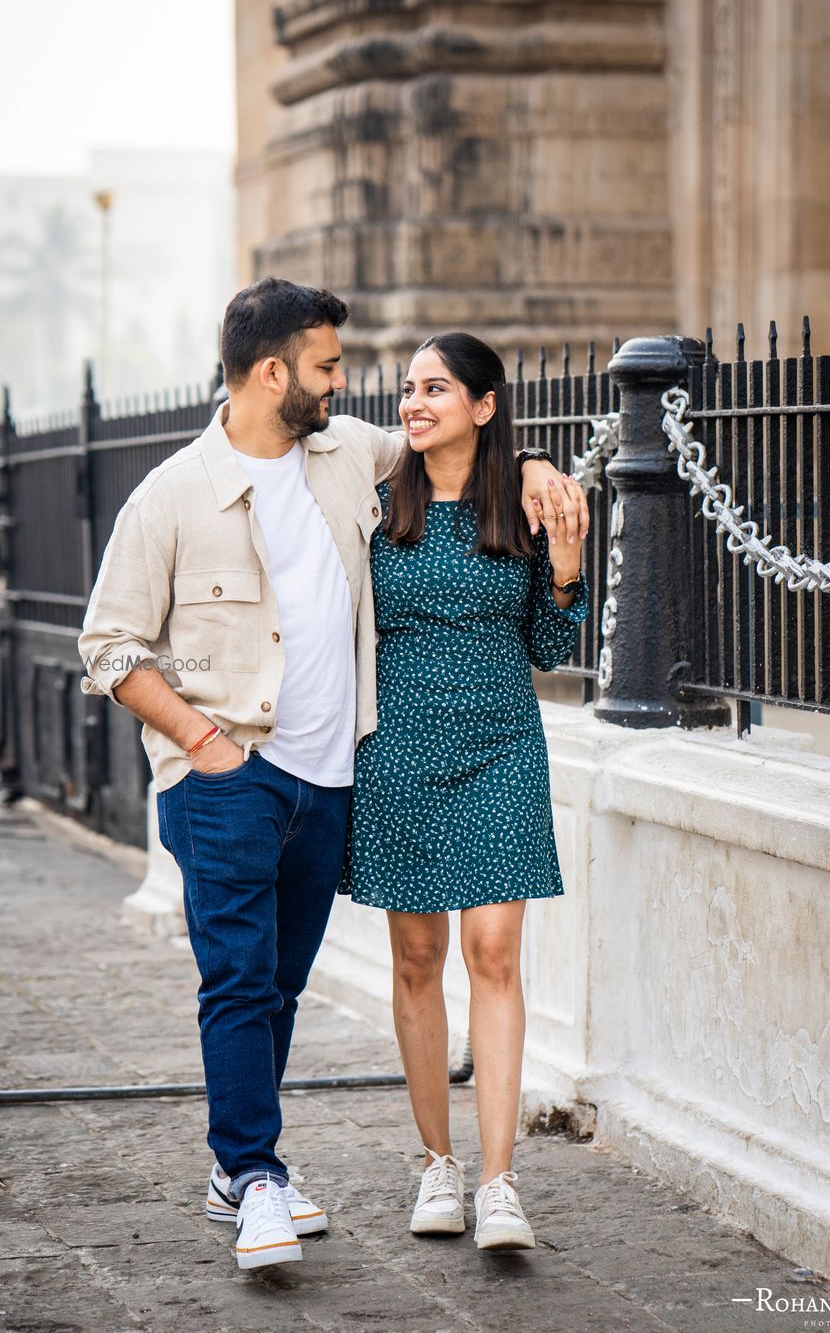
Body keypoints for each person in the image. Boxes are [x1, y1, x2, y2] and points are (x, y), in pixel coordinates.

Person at [77, 278, 589, 1272]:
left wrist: (528, 462)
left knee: (275, 986)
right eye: (328, 366)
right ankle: (256, 1174)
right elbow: (108, 644)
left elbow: (456, 450)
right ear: (274, 373)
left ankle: (252, 1171)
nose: (348, 386)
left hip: (329, 781)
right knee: (237, 981)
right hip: (229, 774)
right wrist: (205, 740)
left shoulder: (347, 455)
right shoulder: (174, 493)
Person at [340, 331, 589, 1251]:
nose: (413, 402)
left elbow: (550, 650)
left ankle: (499, 1182)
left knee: (493, 952)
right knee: (415, 961)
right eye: (408, 388)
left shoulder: (523, 508)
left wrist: (564, 570)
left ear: (483, 405)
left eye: (435, 388)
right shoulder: (372, 505)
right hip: (397, 750)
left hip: (501, 746)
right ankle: (436, 1167)